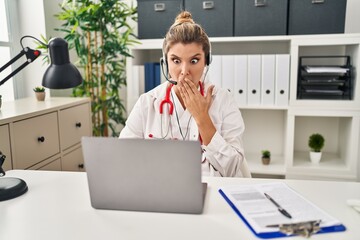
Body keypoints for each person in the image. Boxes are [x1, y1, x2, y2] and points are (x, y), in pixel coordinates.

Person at [120, 11, 251, 178]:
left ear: (207, 61)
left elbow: (232, 169)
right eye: (176, 60)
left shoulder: (224, 101)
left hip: (212, 191)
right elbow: (124, 158)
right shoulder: (147, 103)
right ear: (165, 62)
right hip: (161, 192)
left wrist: (202, 118)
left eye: (194, 61)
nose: (184, 71)